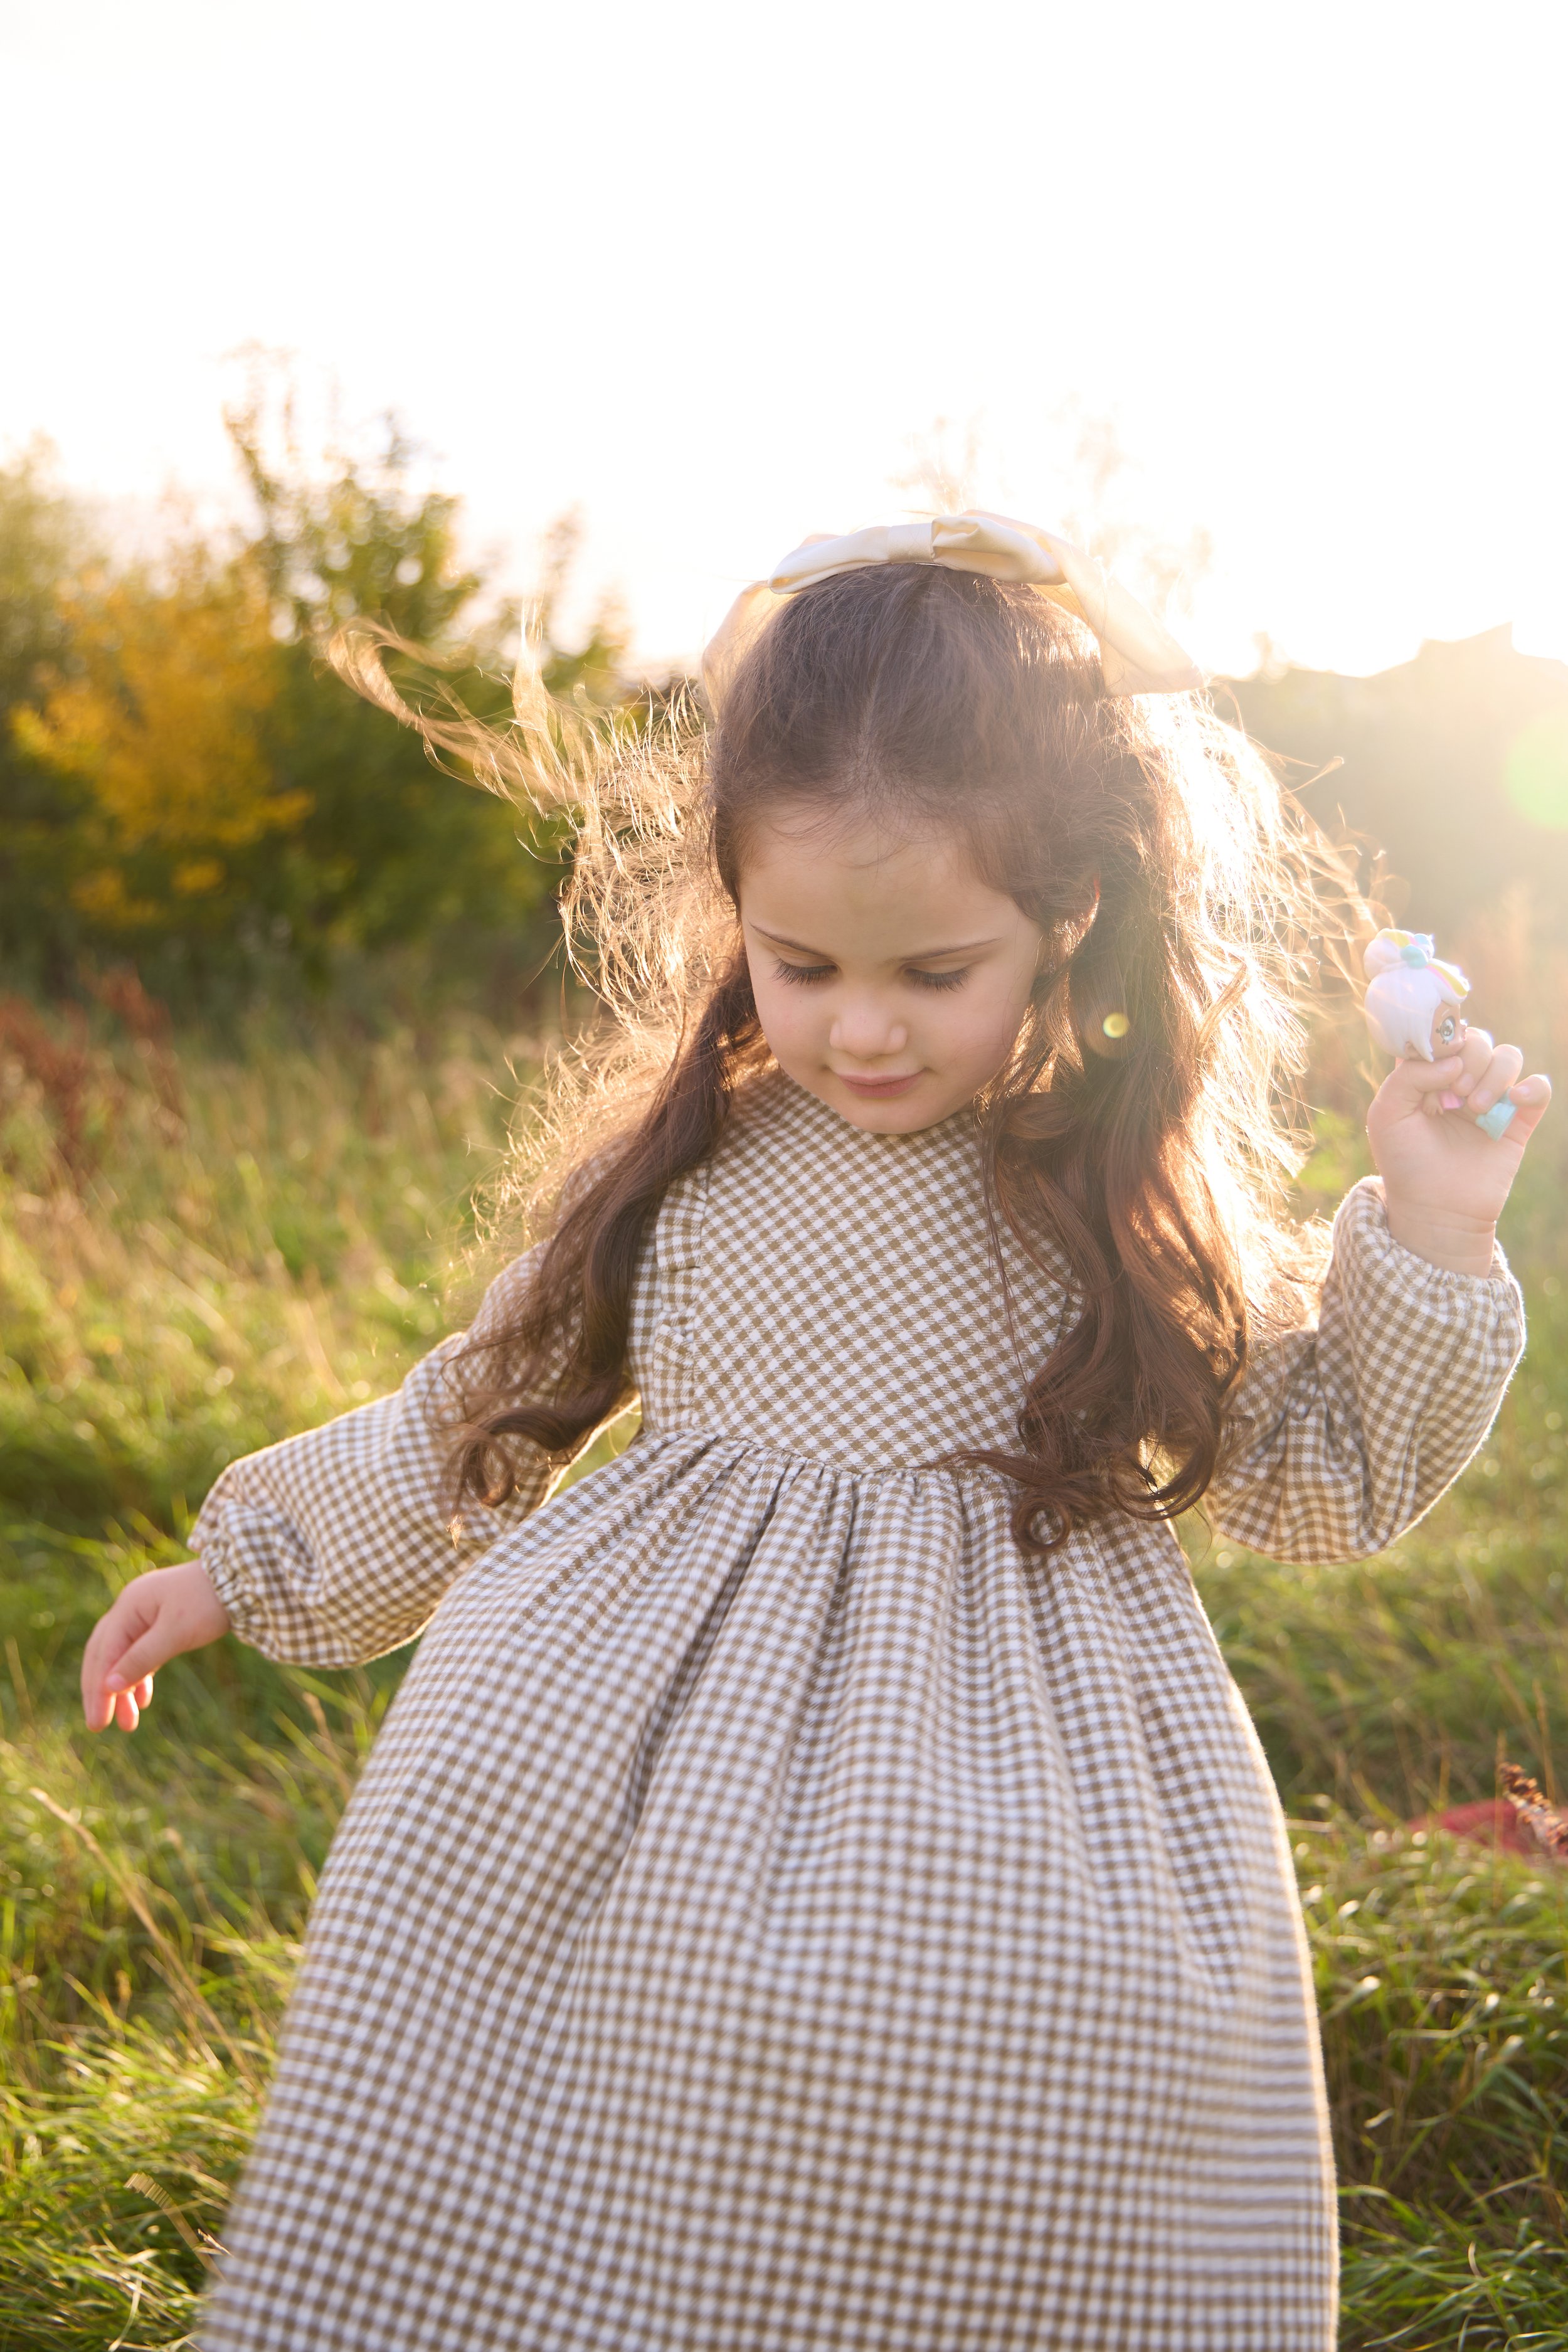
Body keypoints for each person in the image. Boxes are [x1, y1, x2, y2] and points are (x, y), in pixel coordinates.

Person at [81, 516, 1549, 2349]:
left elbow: (1325, 1472)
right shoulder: (688, 1170)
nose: (859, 1028)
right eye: (802, 965)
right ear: (734, 916)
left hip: (1027, 1770)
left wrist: (1432, 1226)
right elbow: (488, 1402)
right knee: (568, 2012)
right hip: (635, 1730)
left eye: (932, 974)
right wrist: (238, 1565)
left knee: (1012, 2059)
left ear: (1065, 917)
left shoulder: (1106, 1200)